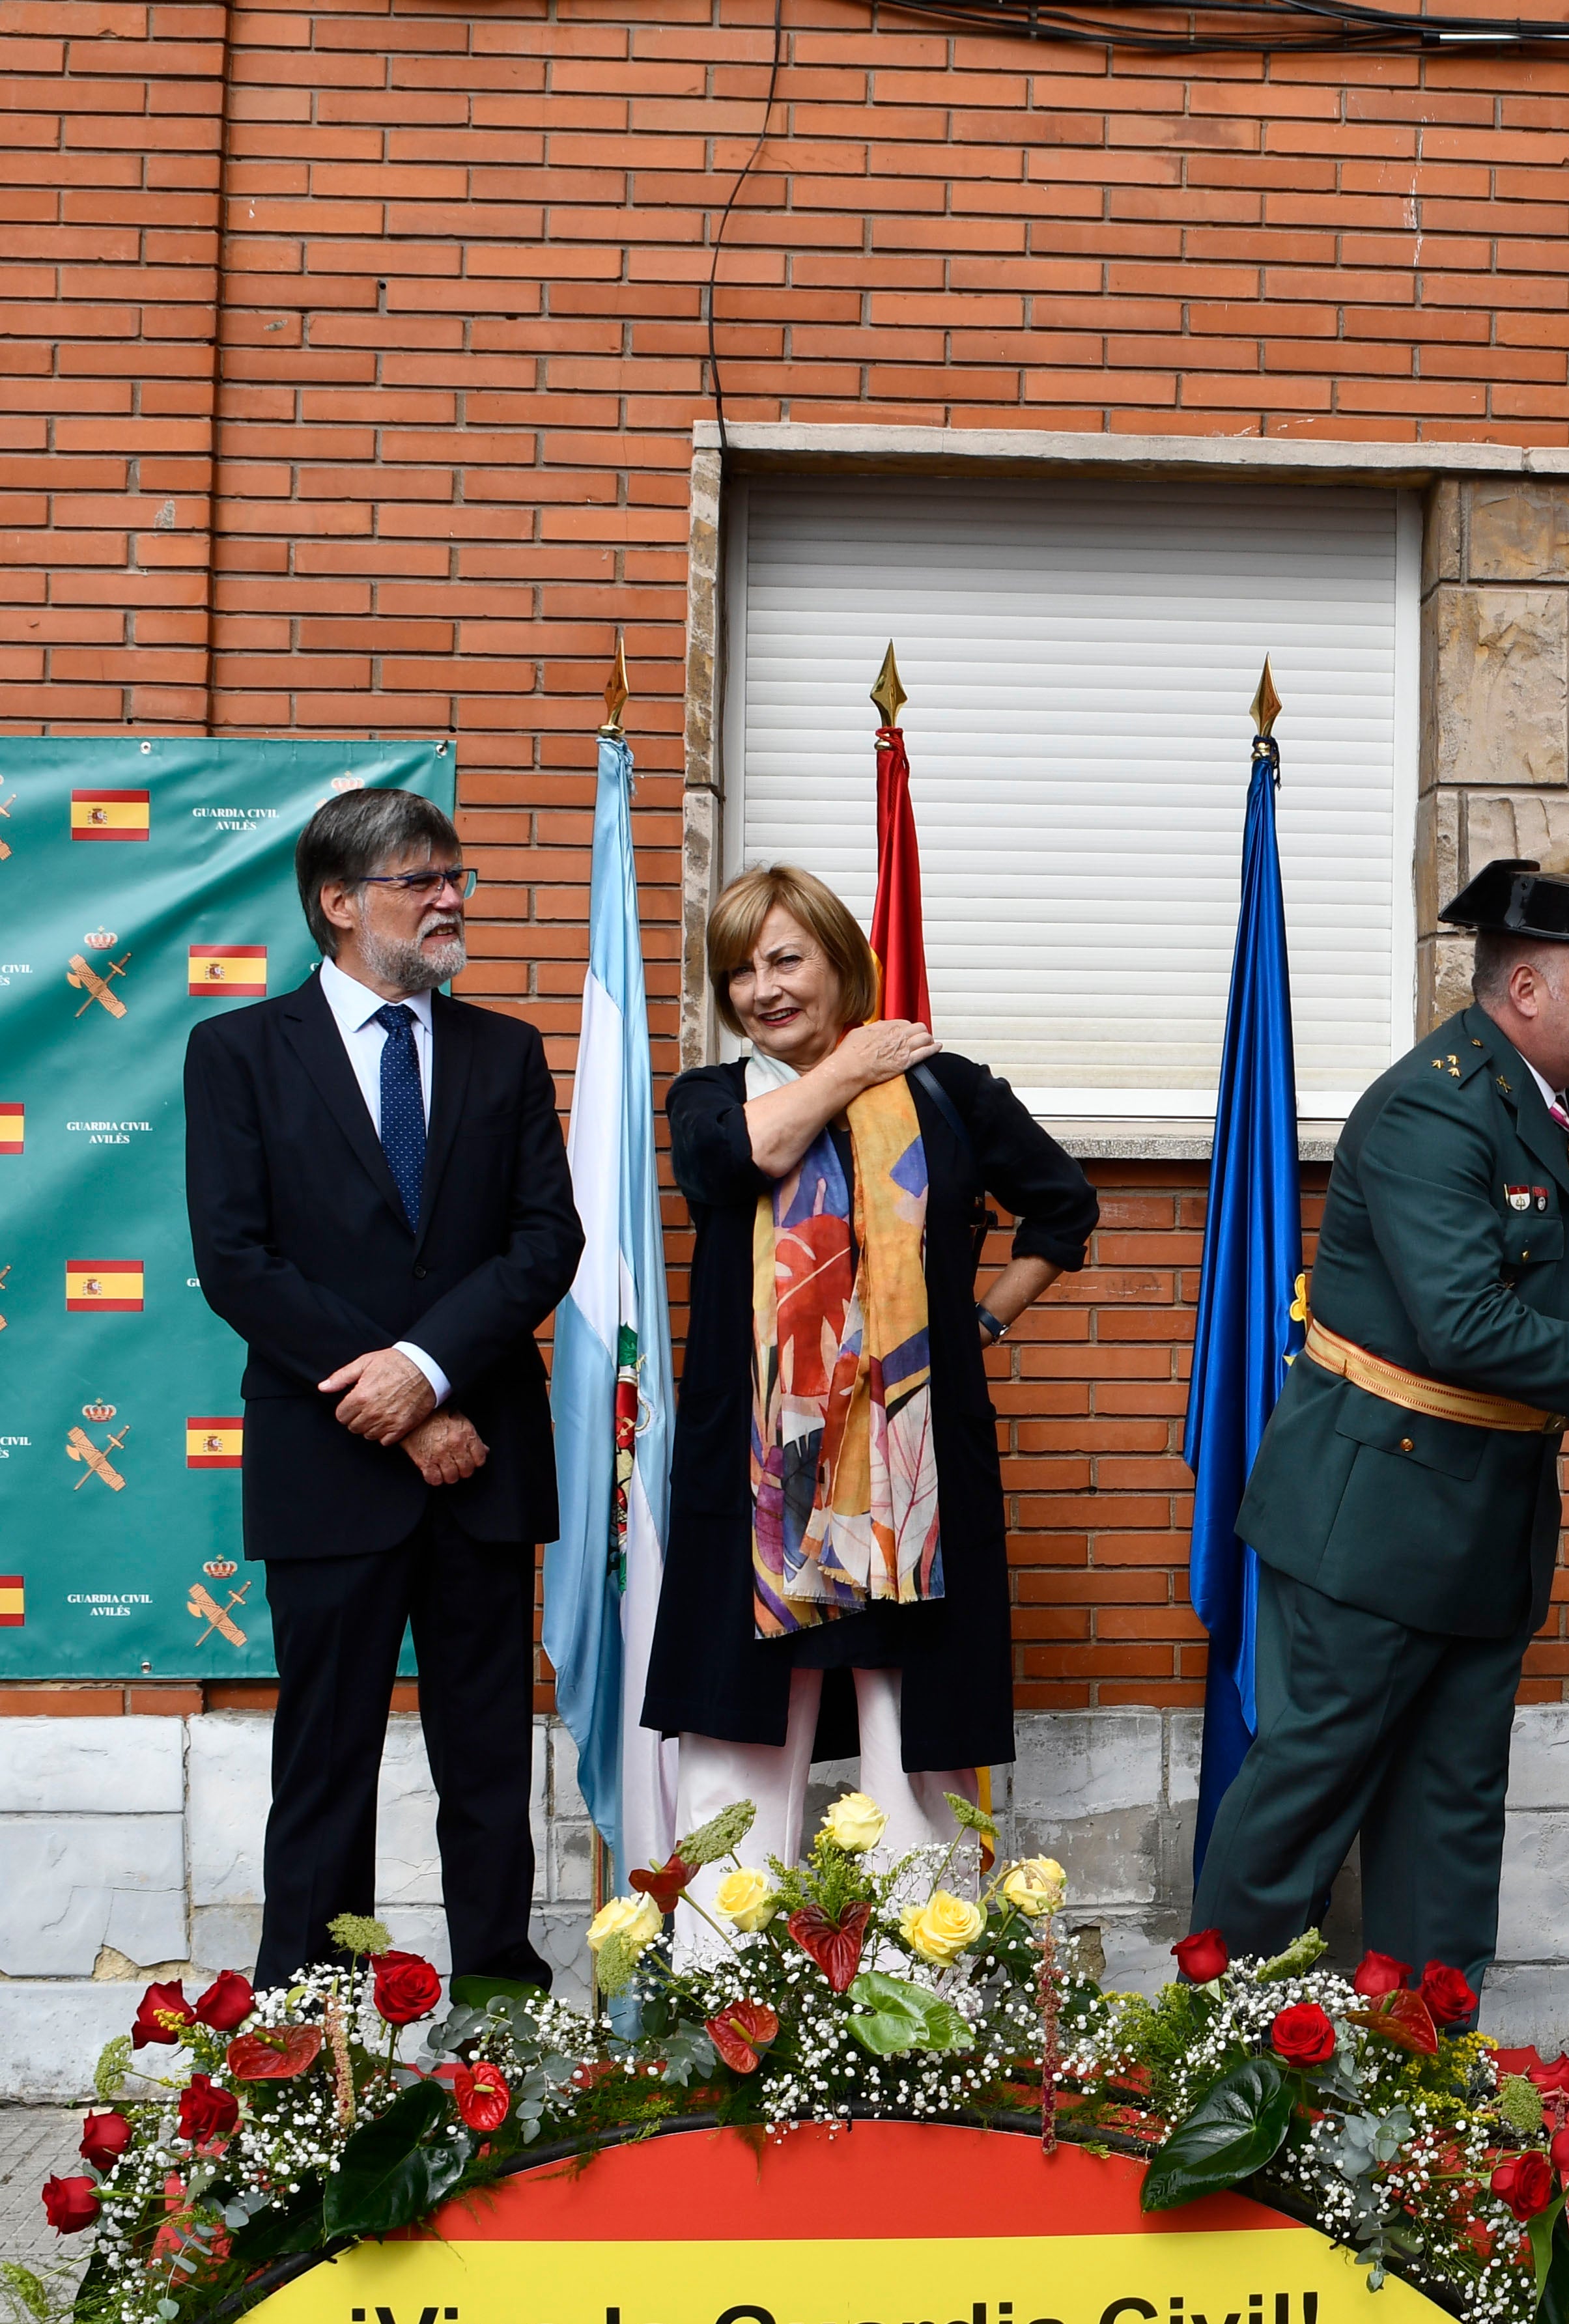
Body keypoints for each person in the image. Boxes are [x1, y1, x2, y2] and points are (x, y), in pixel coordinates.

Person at [1193, 858, 1569, 1979]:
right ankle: (1220, 2055)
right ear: (1528, 989)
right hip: (1371, 1517)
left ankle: (1423, 2095)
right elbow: (1465, 1326)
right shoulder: (1427, 1108)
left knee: (1449, 1825)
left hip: (1487, 1520)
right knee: (1305, 1800)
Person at [186, 787, 582, 1989]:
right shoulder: (240, 1053)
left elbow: (542, 1241)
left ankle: (502, 2026)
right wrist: (398, 1398)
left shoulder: (502, 1051)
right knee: (324, 1762)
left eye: (455, 876)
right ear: (341, 902)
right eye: (424, 879)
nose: (452, 897)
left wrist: (425, 1370)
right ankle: (309, 2044)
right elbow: (238, 1260)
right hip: (331, 1463)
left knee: (487, 1767)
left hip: (482, 1462)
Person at [642, 866, 1097, 1870]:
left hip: (910, 1479)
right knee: (741, 1749)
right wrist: (851, 1068)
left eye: (786, 959)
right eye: (738, 973)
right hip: (764, 1480)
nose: (763, 989)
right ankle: (727, 1993)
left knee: (915, 1755)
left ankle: (916, 2001)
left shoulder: (946, 1092)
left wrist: (976, 1321)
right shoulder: (709, 1098)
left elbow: (1063, 1206)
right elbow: (740, 1159)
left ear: (841, 960)